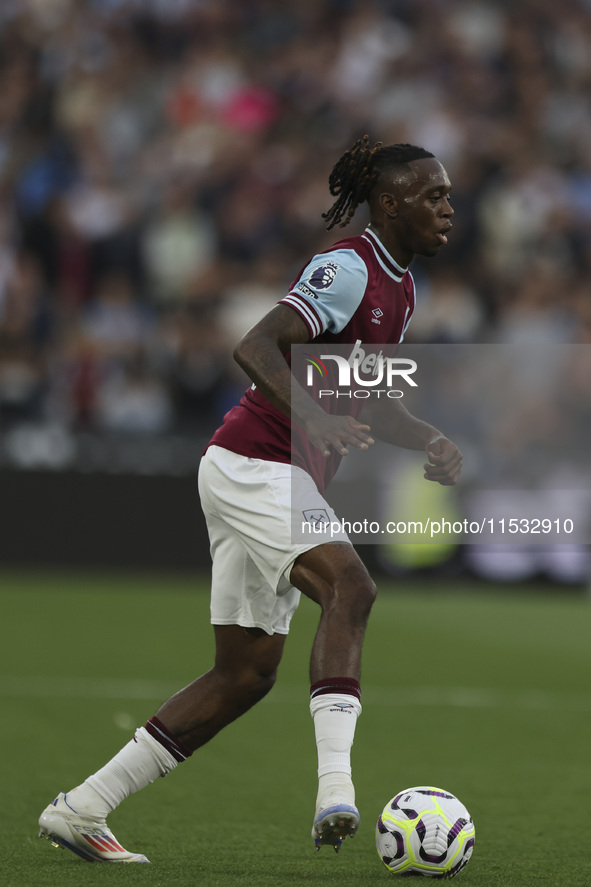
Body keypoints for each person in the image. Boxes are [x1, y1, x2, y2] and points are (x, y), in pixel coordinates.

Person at [38, 136, 461, 863]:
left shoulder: (403, 286)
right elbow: (256, 345)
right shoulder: (346, 268)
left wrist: (425, 436)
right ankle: (336, 789)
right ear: (389, 204)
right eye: (433, 196)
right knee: (351, 588)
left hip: (265, 470)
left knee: (244, 674)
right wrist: (313, 415)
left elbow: (369, 395)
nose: (448, 208)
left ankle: (81, 807)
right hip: (254, 461)